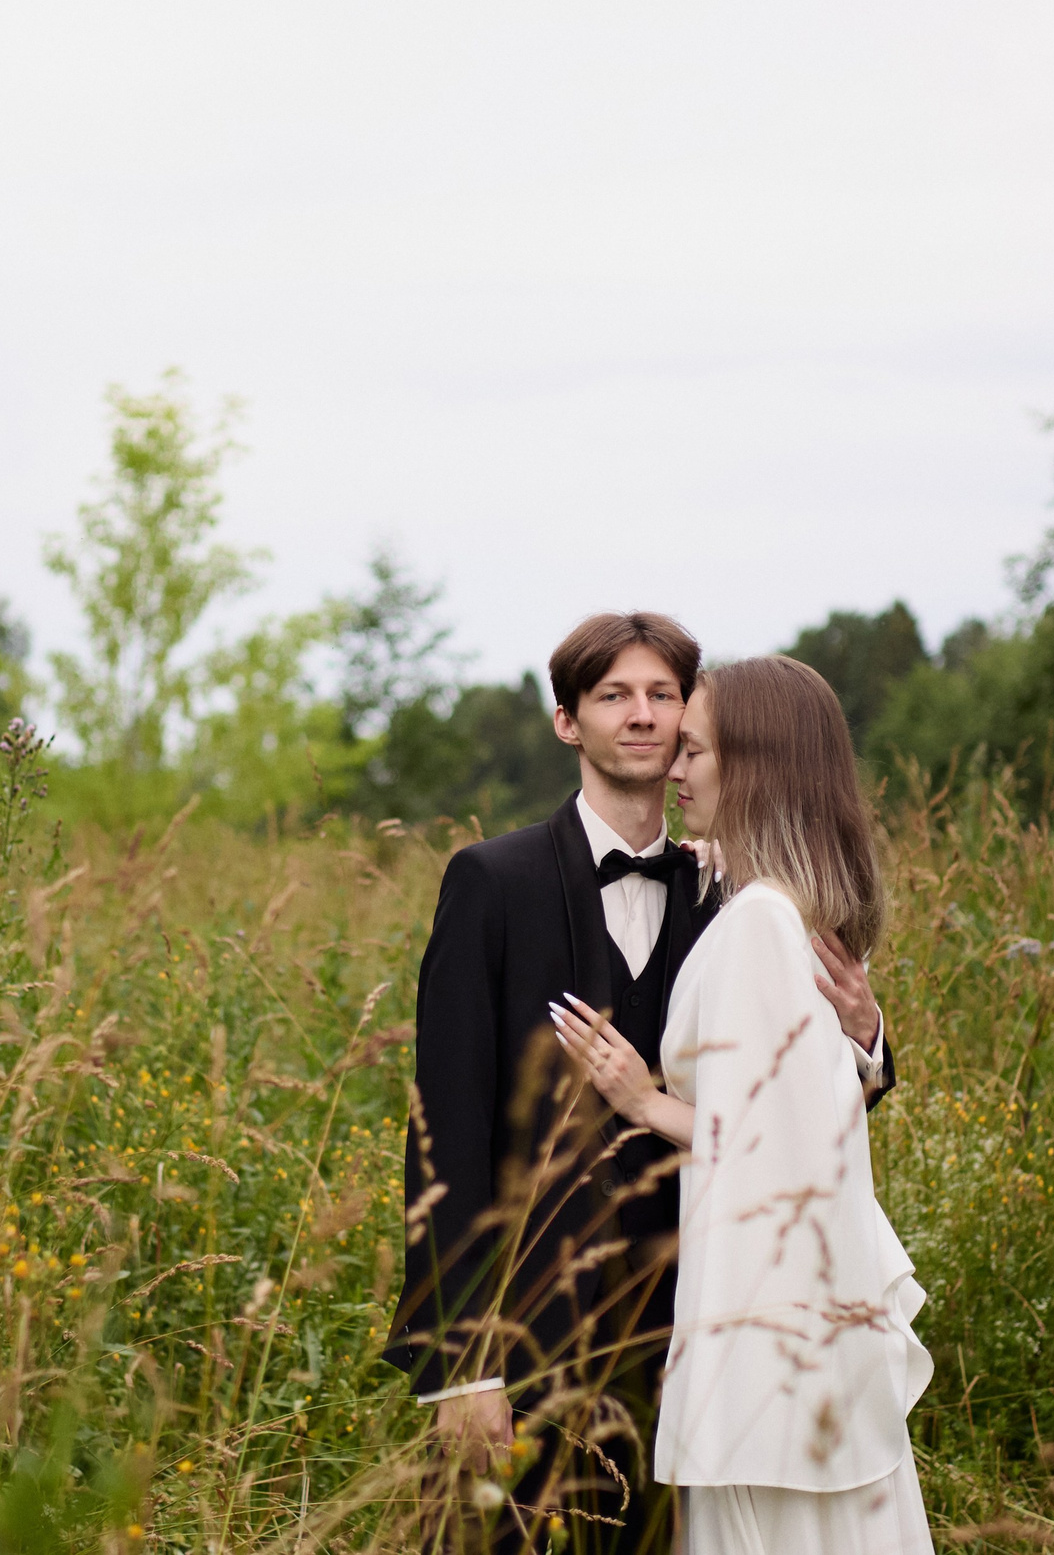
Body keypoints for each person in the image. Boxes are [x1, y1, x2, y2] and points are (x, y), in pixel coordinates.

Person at [383, 615, 895, 1553]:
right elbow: (443, 1136)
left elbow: (789, 1108)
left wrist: (865, 1038)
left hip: (698, 1331)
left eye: (664, 696)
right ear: (567, 722)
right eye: (614, 695)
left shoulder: (735, 893)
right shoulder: (490, 883)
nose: (643, 716)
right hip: (534, 1337)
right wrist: (459, 1366)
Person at [553, 654, 932, 1555]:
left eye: (695, 750)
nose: (673, 771)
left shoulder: (762, 920)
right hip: (789, 1307)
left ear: (753, 766)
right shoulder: (779, 904)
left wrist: (644, 1103)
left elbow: (779, 1147)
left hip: (759, 1317)